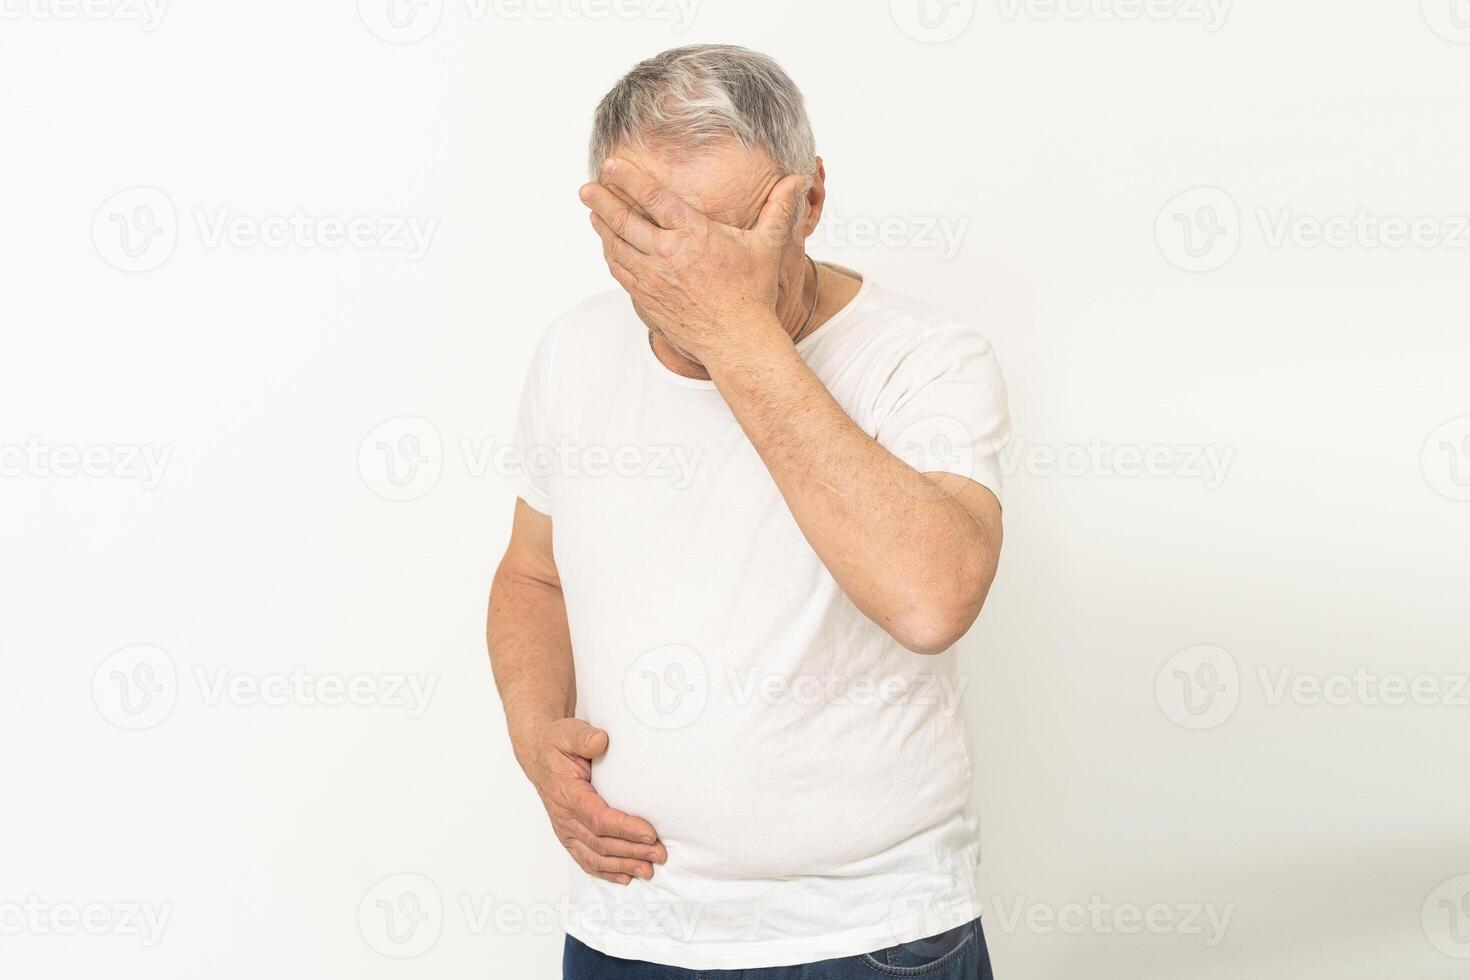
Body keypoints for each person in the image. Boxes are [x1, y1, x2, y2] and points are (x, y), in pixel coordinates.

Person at [487, 44, 1009, 979]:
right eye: (649, 235)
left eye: (724, 238)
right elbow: (533, 572)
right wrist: (536, 736)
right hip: (629, 927)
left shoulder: (927, 359)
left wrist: (734, 334)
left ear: (807, 201)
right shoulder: (572, 353)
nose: (686, 271)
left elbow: (931, 599)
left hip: (874, 935)